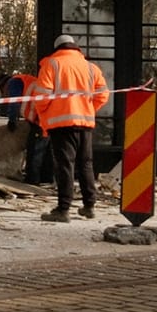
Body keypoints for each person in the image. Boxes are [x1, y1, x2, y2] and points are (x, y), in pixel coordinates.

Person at [31, 34, 108, 221]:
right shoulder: (91, 67)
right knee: (86, 164)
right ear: (75, 47)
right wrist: (88, 109)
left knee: (65, 166)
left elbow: (42, 97)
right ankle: (89, 206)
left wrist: (45, 118)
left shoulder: (52, 64)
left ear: (57, 48)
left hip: (61, 124)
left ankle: (63, 209)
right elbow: (103, 95)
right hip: (85, 123)